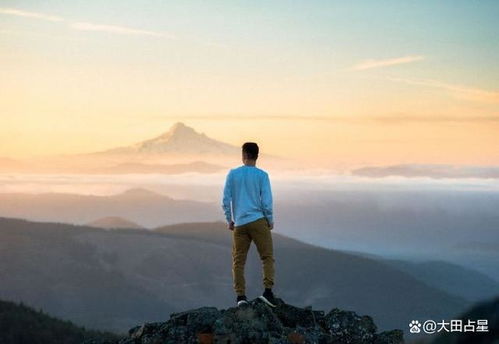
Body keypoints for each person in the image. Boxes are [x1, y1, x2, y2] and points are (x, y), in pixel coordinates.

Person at [221, 142, 277, 307]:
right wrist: (270, 219)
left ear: (243, 154)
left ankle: (241, 297)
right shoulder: (262, 175)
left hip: (240, 223)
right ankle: (267, 292)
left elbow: (225, 200)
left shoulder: (233, 174)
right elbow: (266, 202)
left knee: (238, 261)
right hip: (258, 220)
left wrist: (229, 219)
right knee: (266, 257)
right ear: (257, 156)